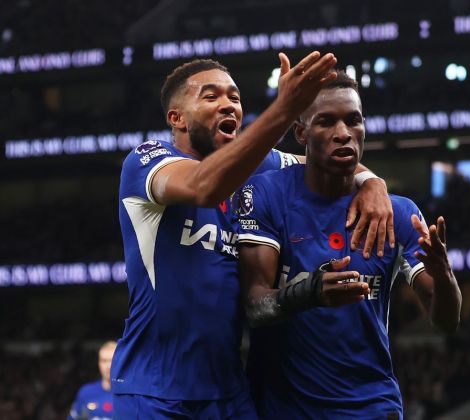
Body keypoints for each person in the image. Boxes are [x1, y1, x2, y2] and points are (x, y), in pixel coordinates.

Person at [112, 52, 394, 419]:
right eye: (210, 96)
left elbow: (329, 158)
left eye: (234, 97)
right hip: (153, 390)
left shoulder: (259, 164)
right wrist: (283, 109)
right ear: (176, 118)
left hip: (230, 391)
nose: (228, 104)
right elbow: (204, 186)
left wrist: (371, 181)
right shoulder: (147, 160)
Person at [236, 70, 462, 419]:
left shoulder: (399, 213)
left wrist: (444, 274)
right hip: (283, 408)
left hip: (370, 407)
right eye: (326, 122)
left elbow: (446, 321)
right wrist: (310, 292)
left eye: (353, 121)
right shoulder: (267, 194)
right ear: (301, 133)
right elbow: (254, 306)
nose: (343, 134)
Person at [69, 341, 116, 420]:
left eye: (112, 360)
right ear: (99, 363)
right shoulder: (86, 392)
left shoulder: (130, 395)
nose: (108, 366)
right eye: (104, 361)